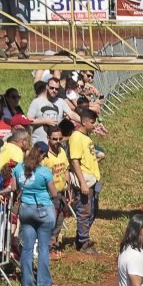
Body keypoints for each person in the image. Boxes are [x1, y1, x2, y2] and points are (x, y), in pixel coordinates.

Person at [13, 145, 57, 286]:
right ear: (42, 154)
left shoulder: (18, 168)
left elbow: (14, 188)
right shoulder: (44, 172)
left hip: (25, 210)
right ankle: (44, 284)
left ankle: (27, 284)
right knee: (44, 248)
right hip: (43, 209)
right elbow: (54, 193)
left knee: (27, 248)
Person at [70, 109, 102, 253]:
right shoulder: (76, 137)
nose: (94, 125)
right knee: (84, 211)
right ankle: (83, 242)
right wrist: (82, 182)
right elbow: (75, 160)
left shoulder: (86, 137)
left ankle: (81, 237)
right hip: (86, 180)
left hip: (93, 179)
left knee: (93, 211)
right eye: (92, 122)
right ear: (84, 122)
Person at [41, 125, 70, 253]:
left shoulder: (62, 151)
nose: (58, 141)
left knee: (59, 221)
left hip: (62, 192)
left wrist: (69, 186)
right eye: (55, 139)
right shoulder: (44, 156)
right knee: (50, 222)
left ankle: (54, 244)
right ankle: (48, 247)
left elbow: (66, 169)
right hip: (49, 195)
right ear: (48, 138)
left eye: (60, 138)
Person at [27, 76, 79, 144]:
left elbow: (71, 114)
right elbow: (28, 120)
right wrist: (45, 121)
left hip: (55, 143)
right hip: (39, 143)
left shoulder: (60, 101)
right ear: (47, 87)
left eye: (56, 89)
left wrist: (83, 120)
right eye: (51, 88)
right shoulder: (37, 101)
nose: (54, 90)